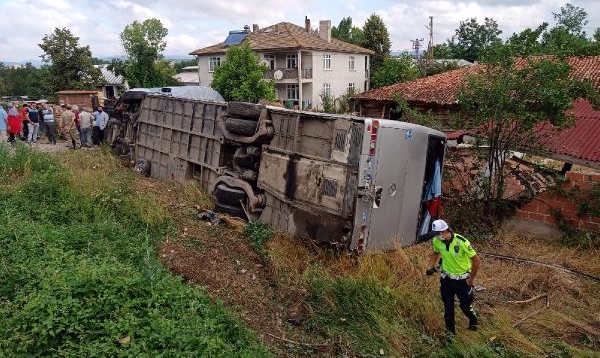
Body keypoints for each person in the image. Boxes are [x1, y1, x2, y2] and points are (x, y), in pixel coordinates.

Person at [426, 219, 481, 335]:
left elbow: (476, 260)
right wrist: (430, 266)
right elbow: (435, 253)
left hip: (462, 281)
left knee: (465, 306)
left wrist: (471, 279)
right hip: (447, 280)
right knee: (448, 309)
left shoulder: (461, 242)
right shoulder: (437, 241)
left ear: (447, 230)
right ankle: (450, 335)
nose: (438, 235)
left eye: (441, 232)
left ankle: (473, 319)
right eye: (436, 233)